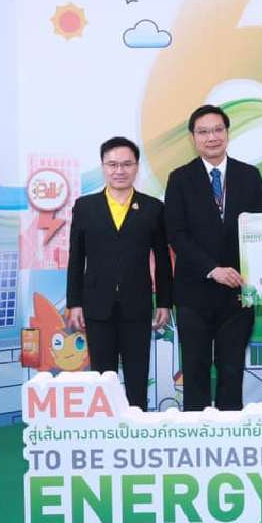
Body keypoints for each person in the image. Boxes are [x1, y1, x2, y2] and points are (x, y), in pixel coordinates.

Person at [164, 104, 262, 411]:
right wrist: (212, 269)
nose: (211, 137)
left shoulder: (249, 176)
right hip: (194, 293)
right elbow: (176, 234)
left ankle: (230, 431)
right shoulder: (179, 178)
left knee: (232, 370)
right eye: (203, 132)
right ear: (193, 138)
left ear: (227, 133)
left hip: (238, 293)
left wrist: (258, 278)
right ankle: (195, 433)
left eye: (217, 130)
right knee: (195, 370)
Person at [66, 136, 172, 409]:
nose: (119, 170)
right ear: (103, 166)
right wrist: (74, 303)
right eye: (112, 164)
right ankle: (105, 424)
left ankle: (137, 423)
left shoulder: (153, 208)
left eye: (127, 164)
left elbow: (162, 260)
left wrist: (164, 302)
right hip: (96, 305)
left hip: (137, 305)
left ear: (136, 167)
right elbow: (76, 258)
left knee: (137, 374)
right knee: (103, 376)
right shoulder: (85, 207)